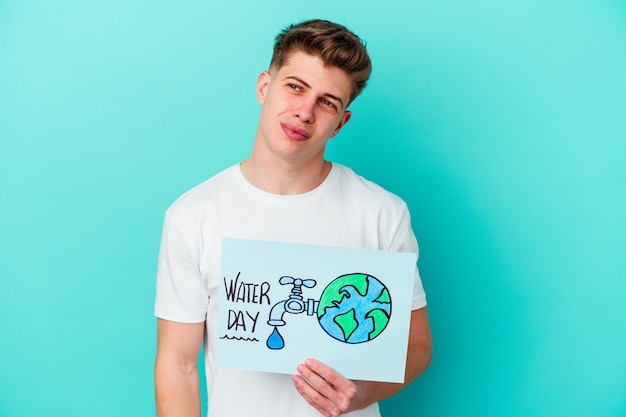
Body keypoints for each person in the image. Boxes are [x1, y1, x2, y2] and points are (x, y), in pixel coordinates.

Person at [154, 19, 432, 417]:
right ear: (264, 87)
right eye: (295, 87)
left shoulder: (382, 213)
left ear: (341, 122)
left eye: (327, 102)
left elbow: (417, 343)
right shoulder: (193, 215)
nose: (304, 111)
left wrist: (367, 390)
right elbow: (177, 365)